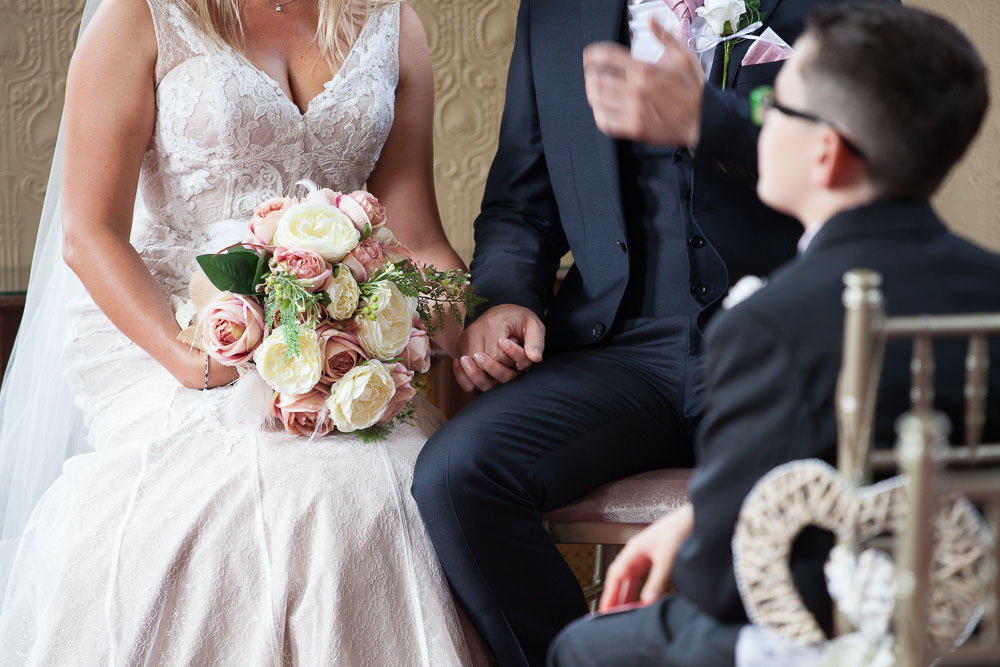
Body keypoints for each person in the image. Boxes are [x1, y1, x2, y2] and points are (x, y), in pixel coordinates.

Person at [0, 0, 486, 664]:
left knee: (393, 484)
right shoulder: (142, 15)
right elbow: (90, 234)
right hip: (174, 332)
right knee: (261, 498)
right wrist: (191, 360)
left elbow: (418, 235)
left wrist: (466, 327)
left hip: (331, 343)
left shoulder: (393, 22)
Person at [548, 3, 1000, 665]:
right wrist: (696, 514)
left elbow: (721, 584)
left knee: (583, 647)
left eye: (773, 110)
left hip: (822, 635)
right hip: (970, 623)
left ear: (826, 151)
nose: (755, 127)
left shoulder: (769, 323)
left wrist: (704, 536)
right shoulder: (987, 287)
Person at [410, 0, 859, 665]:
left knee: (799, 502)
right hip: (617, 346)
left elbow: (875, 148)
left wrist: (711, 123)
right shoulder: (556, 12)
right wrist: (504, 301)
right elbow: (520, 204)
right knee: (456, 475)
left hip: (780, 343)